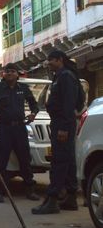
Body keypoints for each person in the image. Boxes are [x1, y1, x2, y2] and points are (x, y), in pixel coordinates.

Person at [32, 50, 80, 215]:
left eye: (51, 60)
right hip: (62, 122)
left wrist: (64, 128)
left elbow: (68, 103)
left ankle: (52, 200)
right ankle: (71, 198)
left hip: (63, 123)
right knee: (68, 161)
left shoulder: (65, 76)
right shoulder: (60, 75)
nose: (48, 63)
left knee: (59, 161)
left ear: (59, 60)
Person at [0, 63, 40, 203]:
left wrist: (33, 113)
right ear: (3, 74)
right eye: (7, 71)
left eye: (12, 71)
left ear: (17, 74)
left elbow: (34, 104)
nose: (9, 73)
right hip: (4, 128)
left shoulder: (23, 88)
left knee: (24, 159)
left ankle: (29, 189)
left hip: (20, 128)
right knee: (0, 159)